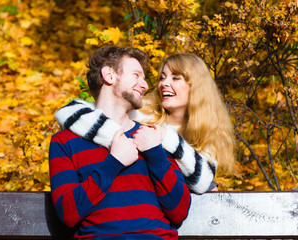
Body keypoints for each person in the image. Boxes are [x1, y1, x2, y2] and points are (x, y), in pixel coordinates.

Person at [49, 46, 191, 239]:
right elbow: (68, 213)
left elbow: (179, 211)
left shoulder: (153, 137)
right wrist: (113, 163)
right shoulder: (65, 142)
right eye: (136, 75)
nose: (145, 84)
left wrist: (155, 154)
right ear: (109, 75)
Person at [55, 53, 235, 194]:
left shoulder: (209, 133)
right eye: (162, 77)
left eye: (175, 78)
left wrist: (166, 138)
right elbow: (70, 113)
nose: (164, 83)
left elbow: (204, 181)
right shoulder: (141, 113)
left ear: (196, 86)